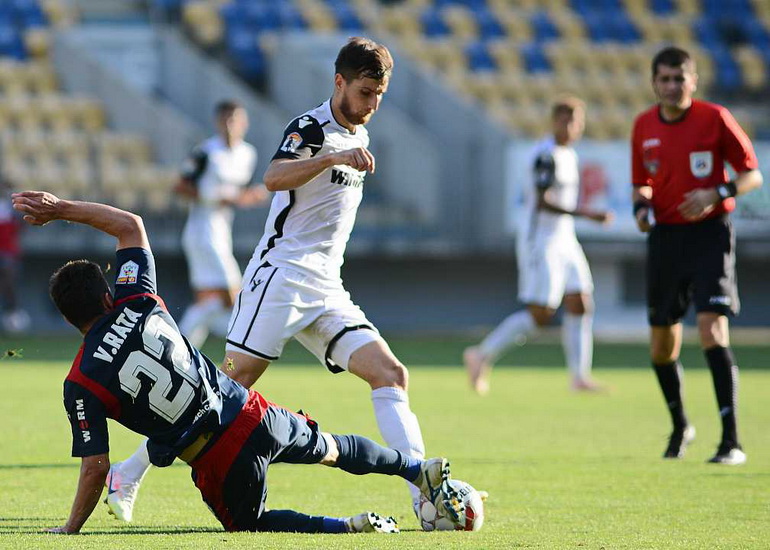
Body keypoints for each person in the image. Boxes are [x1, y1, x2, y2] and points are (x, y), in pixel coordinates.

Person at [90, 36, 440, 525]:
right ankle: (126, 473)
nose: (372, 104)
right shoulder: (311, 127)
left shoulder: (359, 132)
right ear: (339, 82)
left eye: (379, 95)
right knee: (216, 394)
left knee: (391, 375)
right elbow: (275, 177)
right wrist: (333, 158)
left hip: (326, 287)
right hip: (278, 279)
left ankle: (424, 493)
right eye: (364, 92)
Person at [11, 190, 463, 535]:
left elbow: (94, 467)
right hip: (251, 410)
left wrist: (70, 528)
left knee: (250, 523)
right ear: (108, 295)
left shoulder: (82, 381)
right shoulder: (138, 299)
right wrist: (59, 208)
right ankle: (411, 468)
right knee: (330, 447)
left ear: (69, 319)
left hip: (217, 456)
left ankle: (347, 526)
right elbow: (130, 225)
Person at [631, 46, 762, 465]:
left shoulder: (715, 118)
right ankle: (680, 424)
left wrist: (716, 192)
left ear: (693, 81)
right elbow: (641, 184)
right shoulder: (643, 126)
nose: (672, 86)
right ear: (654, 82)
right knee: (661, 347)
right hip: (666, 238)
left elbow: (752, 174)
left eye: (679, 78)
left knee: (712, 331)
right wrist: (641, 210)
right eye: (664, 79)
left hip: (710, 235)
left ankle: (731, 442)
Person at [464, 96, 613, 395]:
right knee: (540, 314)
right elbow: (544, 202)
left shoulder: (569, 155)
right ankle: (481, 354)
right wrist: (588, 214)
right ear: (554, 121)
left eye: (577, 122)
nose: (572, 127)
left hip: (565, 238)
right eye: (566, 121)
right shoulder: (545, 155)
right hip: (540, 240)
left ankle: (579, 376)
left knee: (581, 302)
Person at [175, 100, 267, 348]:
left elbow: (235, 194)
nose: (229, 125)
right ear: (217, 122)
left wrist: (246, 197)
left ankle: (180, 348)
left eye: (234, 120)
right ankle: (243, 343)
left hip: (223, 230)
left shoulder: (248, 154)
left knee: (210, 301)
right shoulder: (205, 152)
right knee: (233, 292)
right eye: (225, 120)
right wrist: (217, 198)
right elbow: (180, 186)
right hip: (201, 231)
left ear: (244, 123)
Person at [0, 179, 30, 334]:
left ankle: (13, 314)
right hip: (7, 251)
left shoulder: (12, 209)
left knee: (9, 284)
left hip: (8, 251)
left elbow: (22, 225)